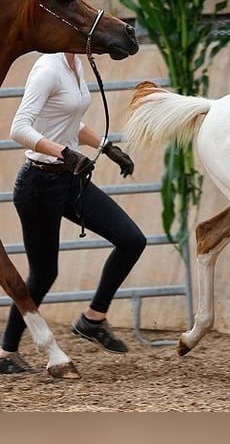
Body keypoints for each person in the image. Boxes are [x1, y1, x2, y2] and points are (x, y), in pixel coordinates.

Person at [0, 52, 146, 374]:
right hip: (38, 184)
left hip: (70, 180)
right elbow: (19, 128)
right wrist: (62, 152)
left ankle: (92, 320)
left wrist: (106, 146)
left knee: (132, 240)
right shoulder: (47, 69)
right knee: (44, 273)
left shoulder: (76, 64)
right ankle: (6, 351)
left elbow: (68, 121)